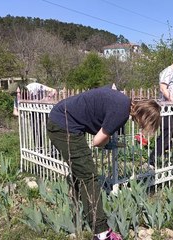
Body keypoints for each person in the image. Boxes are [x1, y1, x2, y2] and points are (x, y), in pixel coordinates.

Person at [46, 85, 161, 240]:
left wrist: (107, 139)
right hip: (64, 126)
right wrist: (105, 143)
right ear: (144, 117)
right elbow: (96, 141)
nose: (141, 127)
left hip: (62, 119)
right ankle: (101, 233)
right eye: (146, 124)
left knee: (80, 173)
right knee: (89, 177)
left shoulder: (122, 100)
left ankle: (76, 215)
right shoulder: (120, 112)